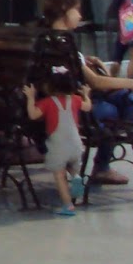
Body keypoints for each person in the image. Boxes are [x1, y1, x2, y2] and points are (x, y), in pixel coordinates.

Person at [44, 0, 133, 185]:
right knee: (121, 104)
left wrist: (86, 61)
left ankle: (130, 162)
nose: (80, 16)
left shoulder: (50, 39)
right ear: (64, 12)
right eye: (77, 11)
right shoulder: (63, 44)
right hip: (74, 109)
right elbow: (96, 82)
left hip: (64, 103)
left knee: (121, 100)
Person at [23, 69, 92, 215]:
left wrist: (30, 97)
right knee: (72, 165)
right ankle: (76, 177)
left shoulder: (47, 102)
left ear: (50, 87)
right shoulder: (75, 99)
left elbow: (33, 115)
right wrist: (86, 94)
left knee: (59, 175)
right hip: (76, 144)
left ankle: (68, 206)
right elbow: (88, 107)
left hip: (58, 145)